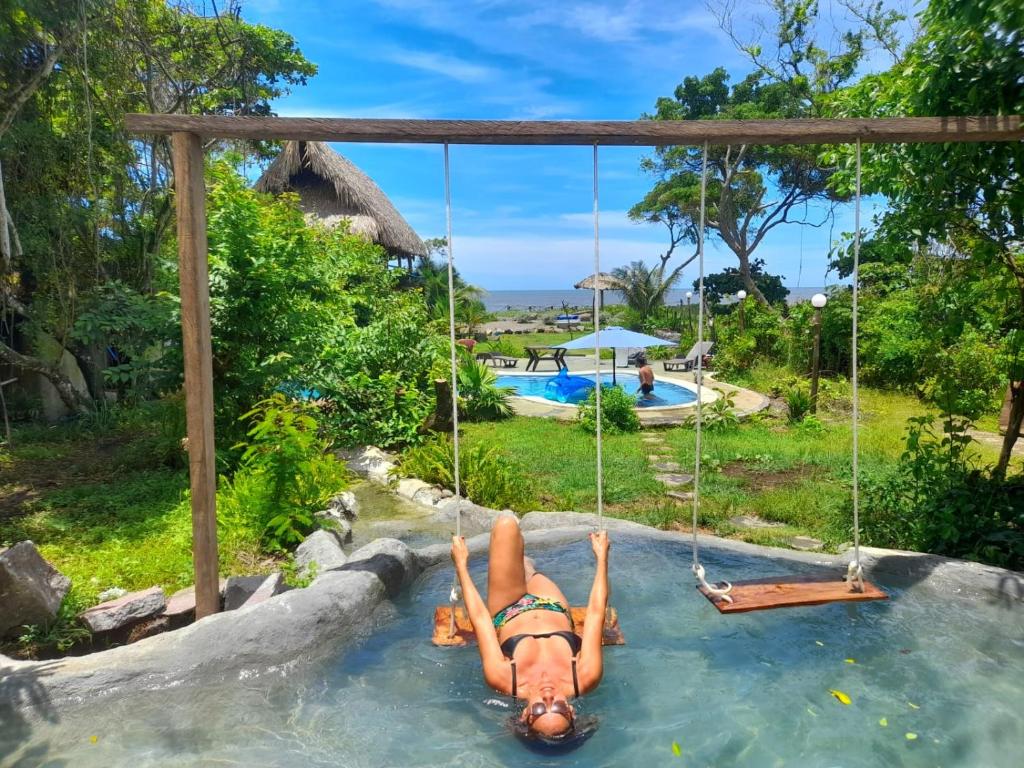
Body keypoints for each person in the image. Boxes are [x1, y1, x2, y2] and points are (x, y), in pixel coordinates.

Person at [450, 516, 610, 743]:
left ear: (525, 715)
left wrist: (461, 566)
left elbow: (480, 619)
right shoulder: (585, 676)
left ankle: (519, 564)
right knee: (527, 569)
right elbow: (596, 612)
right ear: (572, 712)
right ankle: (526, 566)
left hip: (509, 606)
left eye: (538, 710)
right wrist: (602, 557)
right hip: (551, 602)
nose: (548, 696)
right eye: (557, 707)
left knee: (506, 525)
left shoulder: (504, 680)